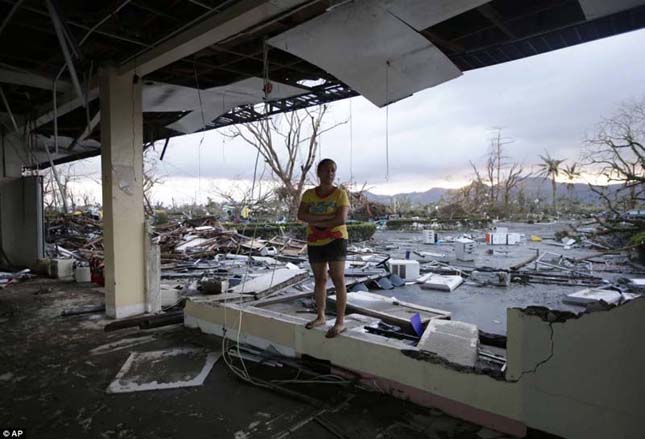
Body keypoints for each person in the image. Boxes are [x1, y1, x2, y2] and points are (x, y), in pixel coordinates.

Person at [297, 158, 349, 338]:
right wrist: (327, 219)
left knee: (338, 278)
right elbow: (301, 215)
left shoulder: (340, 194)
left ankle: (340, 322)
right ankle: (320, 316)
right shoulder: (309, 194)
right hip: (314, 241)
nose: (330, 174)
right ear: (318, 173)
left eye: (333, 170)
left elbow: (341, 219)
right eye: (326, 170)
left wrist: (315, 219)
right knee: (320, 279)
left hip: (336, 240)